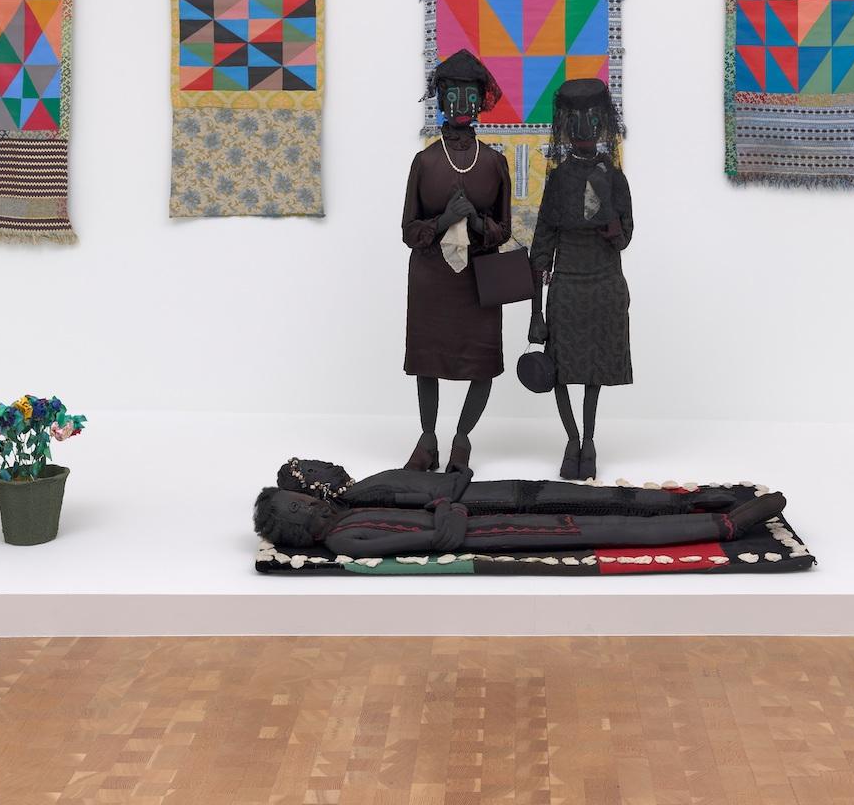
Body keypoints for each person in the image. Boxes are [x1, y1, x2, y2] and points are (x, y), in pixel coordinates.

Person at [255, 458, 789, 559]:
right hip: (491, 530)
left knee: (601, 506)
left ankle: (693, 504)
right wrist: (448, 508)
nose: (309, 501)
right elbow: (438, 538)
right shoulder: (345, 538)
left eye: (302, 496)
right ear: (294, 526)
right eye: (298, 505)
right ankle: (723, 525)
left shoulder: (353, 508)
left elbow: (439, 495)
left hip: (488, 512)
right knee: (606, 529)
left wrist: (446, 499)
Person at [400, 50, 512, 474]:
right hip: (432, 278)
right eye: (453, 96)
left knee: (482, 362)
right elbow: (408, 230)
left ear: (482, 100)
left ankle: (462, 438)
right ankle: (427, 439)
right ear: (441, 100)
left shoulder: (494, 163)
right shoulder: (425, 161)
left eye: (470, 96)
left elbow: (505, 228)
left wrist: (478, 223)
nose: (462, 105)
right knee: (427, 360)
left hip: (479, 281)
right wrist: (444, 220)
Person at [528, 78, 632, 480]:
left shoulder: (614, 176)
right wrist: (535, 312)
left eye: (592, 120)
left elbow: (624, 236)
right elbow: (542, 243)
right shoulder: (558, 179)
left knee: (594, 368)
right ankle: (572, 438)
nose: (585, 129)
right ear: (566, 127)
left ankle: (588, 440)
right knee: (559, 365)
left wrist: (611, 221)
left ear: (602, 123)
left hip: (604, 280)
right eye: (576, 121)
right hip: (567, 282)